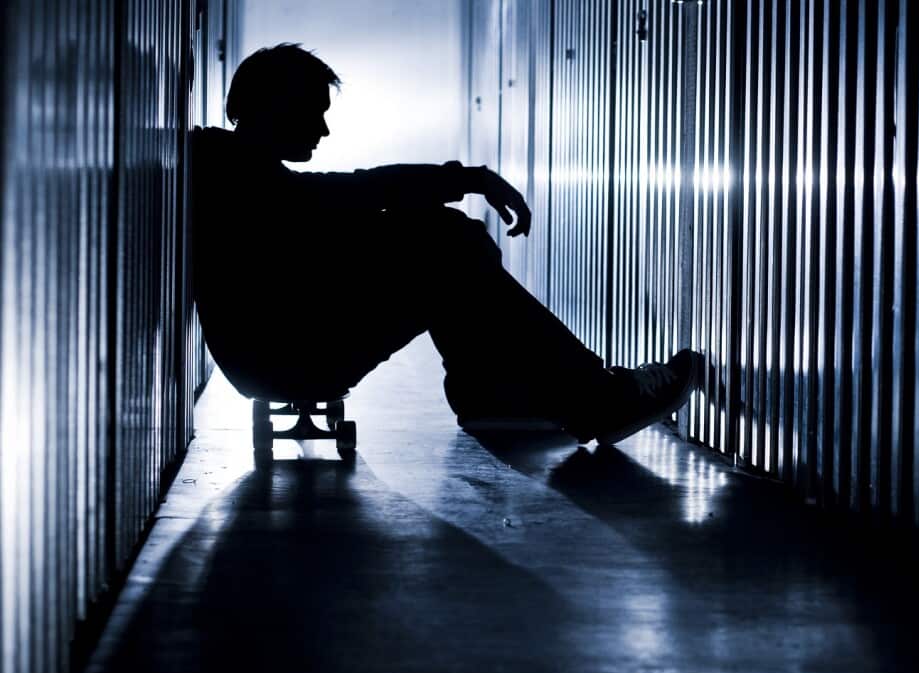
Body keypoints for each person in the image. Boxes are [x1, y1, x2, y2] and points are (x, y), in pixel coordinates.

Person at [191, 43, 694, 445]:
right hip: (286, 358)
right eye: (311, 111)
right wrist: (470, 181)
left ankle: (494, 397)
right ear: (270, 106)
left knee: (445, 240)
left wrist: (457, 191)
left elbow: (347, 198)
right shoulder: (235, 176)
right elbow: (353, 192)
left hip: (280, 349)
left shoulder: (233, 168)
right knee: (446, 243)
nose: (323, 128)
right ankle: (591, 399)